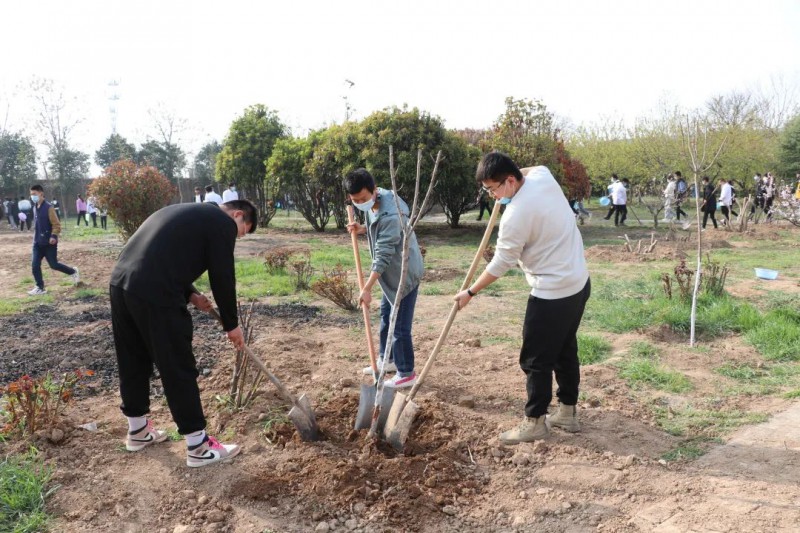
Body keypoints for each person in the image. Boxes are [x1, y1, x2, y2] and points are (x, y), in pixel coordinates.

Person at [109, 199, 258, 467]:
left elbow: (162, 254)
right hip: (156, 292)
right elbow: (222, 274)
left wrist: (191, 294)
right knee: (177, 365)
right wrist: (231, 324)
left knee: (133, 358)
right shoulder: (222, 222)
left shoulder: (185, 211)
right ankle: (198, 446)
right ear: (237, 215)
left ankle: (138, 431)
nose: (236, 237)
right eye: (241, 232)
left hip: (122, 284)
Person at [454, 152, 590, 444]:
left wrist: (470, 292)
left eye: (493, 189)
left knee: (535, 360)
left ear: (510, 181)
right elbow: (533, 168)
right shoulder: (543, 177)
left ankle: (535, 422)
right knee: (565, 349)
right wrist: (504, 180)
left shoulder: (515, 215)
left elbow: (501, 263)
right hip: (579, 282)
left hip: (552, 293)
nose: (492, 197)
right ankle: (567, 412)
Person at [344, 168, 423, 388]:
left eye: (363, 199)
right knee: (386, 318)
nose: (360, 203)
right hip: (391, 274)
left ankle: (406, 372)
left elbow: (383, 255)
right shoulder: (376, 202)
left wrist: (367, 288)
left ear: (374, 190)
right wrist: (362, 228)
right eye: (355, 200)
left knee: (399, 327)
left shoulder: (391, 215)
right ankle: (387, 360)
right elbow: (376, 226)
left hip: (403, 274)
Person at [27, 184, 80, 296]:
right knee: (35, 265)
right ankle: (39, 287)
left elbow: (56, 224)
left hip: (49, 243)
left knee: (54, 265)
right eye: (31, 194)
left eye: (34, 194)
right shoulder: (35, 207)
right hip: (37, 242)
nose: (32, 196)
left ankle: (73, 271)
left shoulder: (49, 207)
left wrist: (54, 236)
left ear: (41, 193)